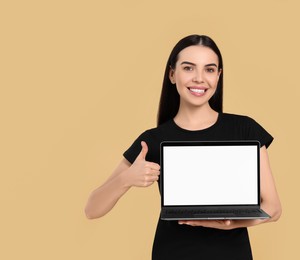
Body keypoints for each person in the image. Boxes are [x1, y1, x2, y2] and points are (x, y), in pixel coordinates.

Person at [85, 34, 282, 260]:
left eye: (209, 70)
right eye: (188, 68)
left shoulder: (245, 129)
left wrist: (227, 225)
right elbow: (92, 209)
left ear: (218, 76)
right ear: (172, 74)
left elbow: (273, 208)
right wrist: (127, 178)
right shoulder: (153, 140)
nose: (199, 78)